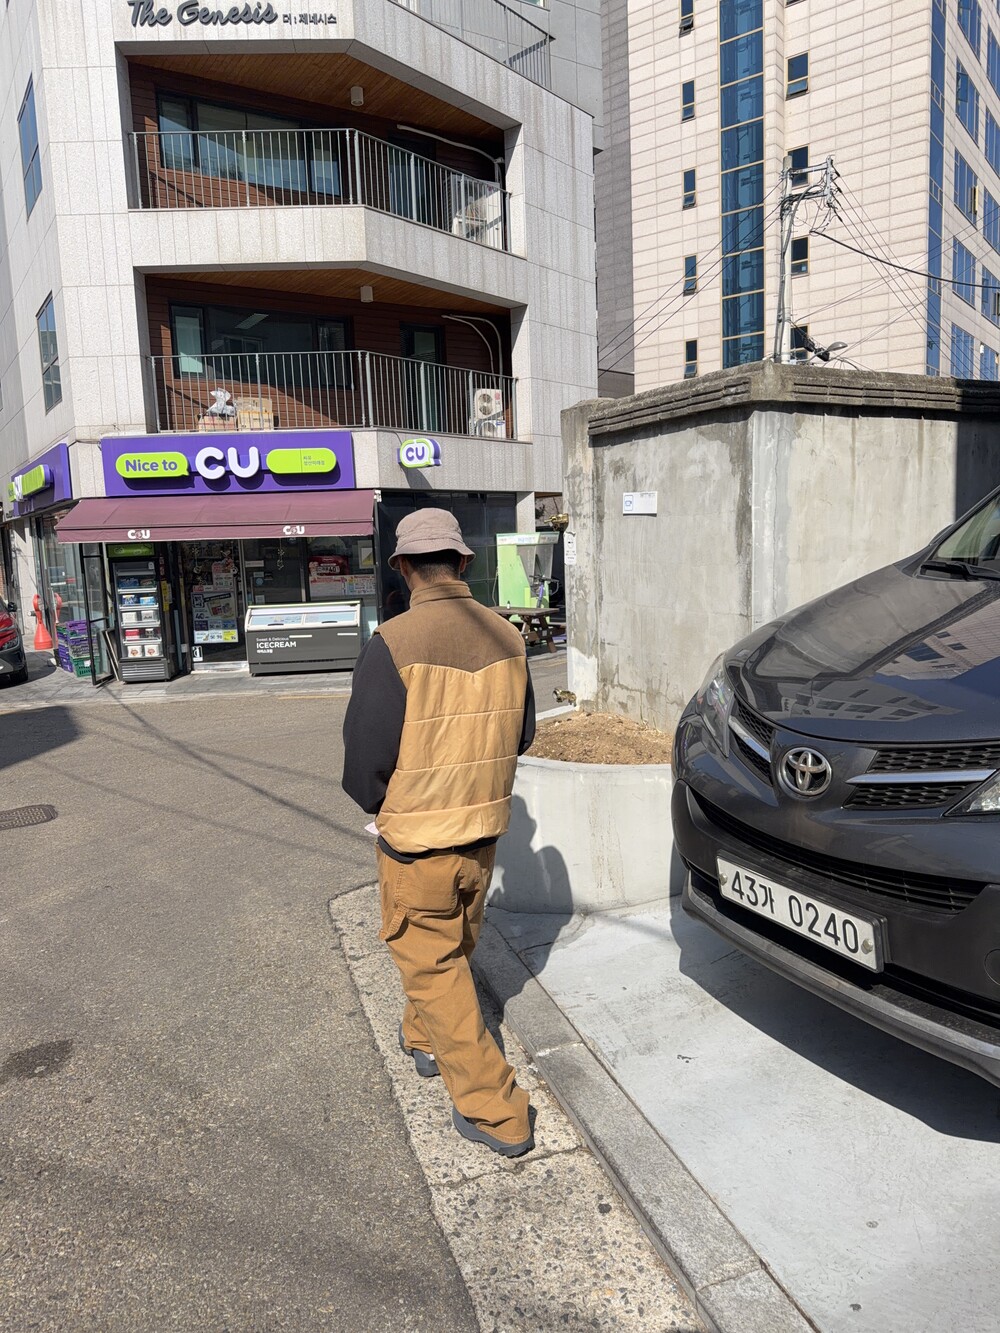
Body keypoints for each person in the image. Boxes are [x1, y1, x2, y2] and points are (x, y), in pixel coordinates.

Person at [342, 508, 537, 1157]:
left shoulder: (392, 642)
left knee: (433, 964)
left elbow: (363, 764)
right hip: (482, 837)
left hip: (418, 845)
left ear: (402, 567)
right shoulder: (509, 636)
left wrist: (389, 803)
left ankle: (496, 1110)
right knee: (448, 953)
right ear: (463, 562)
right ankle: (424, 1037)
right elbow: (523, 735)